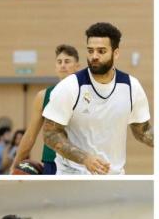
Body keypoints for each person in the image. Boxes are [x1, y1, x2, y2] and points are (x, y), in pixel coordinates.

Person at [42, 23, 153, 175]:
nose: (94, 56)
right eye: (90, 50)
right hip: (73, 175)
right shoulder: (70, 86)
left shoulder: (131, 86)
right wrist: (85, 158)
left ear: (116, 53)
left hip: (114, 176)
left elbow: (143, 131)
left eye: (101, 51)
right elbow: (50, 134)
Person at [10, 45, 80, 174]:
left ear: (77, 66)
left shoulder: (87, 95)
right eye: (59, 62)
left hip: (80, 162)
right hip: (51, 162)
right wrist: (15, 164)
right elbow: (30, 136)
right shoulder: (43, 96)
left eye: (67, 61)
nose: (63, 65)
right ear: (55, 67)